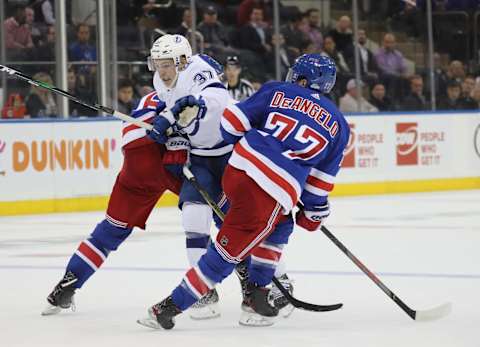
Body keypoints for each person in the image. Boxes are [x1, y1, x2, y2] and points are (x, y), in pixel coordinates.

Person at [137, 54, 350, 330]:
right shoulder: (340, 125)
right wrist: (313, 214)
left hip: (236, 171)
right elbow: (319, 186)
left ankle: (258, 294)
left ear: (299, 78)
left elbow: (230, 125)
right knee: (227, 253)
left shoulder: (276, 90)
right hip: (269, 190)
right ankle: (165, 309)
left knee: (281, 224)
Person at [41, 60, 187, 315]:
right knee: (224, 213)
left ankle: (67, 285)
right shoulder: (186, 91)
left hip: (134, 160)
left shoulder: (149, 95)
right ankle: (248, 284)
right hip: (166, 158)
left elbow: (132, 134)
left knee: (110, 230)